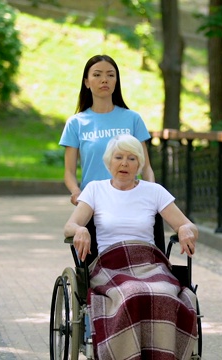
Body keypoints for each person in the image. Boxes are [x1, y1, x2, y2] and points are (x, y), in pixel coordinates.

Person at [64, 134, 198, 360]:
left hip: (149, 263)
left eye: (131, 158)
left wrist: (186, 229)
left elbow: (187, 224)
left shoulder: (154, 191)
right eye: (118, 157)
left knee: (164, 292)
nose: (124, 163)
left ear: (139, 164)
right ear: (109, 161)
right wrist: (80, 230)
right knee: (132, 293)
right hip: (111, 265)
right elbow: (69, 226)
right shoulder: (95, 190)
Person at [59, 54, 156, 264]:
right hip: (94, 204)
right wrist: (77, 192)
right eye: (97, 75)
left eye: (110, 75)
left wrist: (152, 191)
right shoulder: (76, 123)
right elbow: (69, 172)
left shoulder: (133, 119)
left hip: (132, 199)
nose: (104, 80)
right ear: (86, 82)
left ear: (116, 81)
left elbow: (146, 167)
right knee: (93, 266)